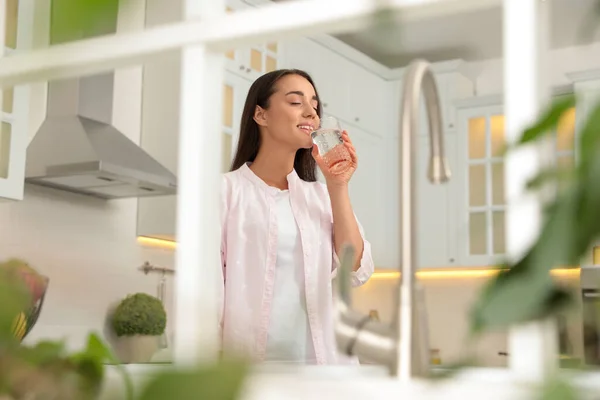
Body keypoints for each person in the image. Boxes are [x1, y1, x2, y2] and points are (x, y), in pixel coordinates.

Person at [219, 68, 374, 365]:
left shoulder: (321, 196)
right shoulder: (225, 192)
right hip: (252, 372)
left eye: (314, 104)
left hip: (325, 369)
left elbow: (354, 270)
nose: (311, 112)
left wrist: (337, 186)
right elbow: (210, 293)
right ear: (261, 115)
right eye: (295, 102)